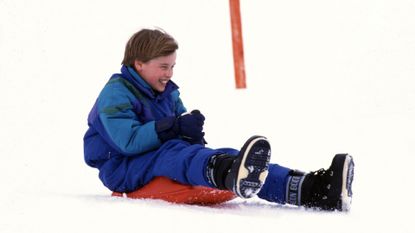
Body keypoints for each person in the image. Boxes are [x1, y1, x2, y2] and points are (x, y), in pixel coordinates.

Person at [83, 28, 355, 211]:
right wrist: (174, 128)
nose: (169, 73)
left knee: (232, 157)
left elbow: (180, 137)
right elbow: (127, 142)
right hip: (122, 168)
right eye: (163, 67)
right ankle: (223, 171)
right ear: (139, 64)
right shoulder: (116, 94)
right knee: (176, 154)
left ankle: (313, 189)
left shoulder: (167, 91)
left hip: (159, 155)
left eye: (173, 66)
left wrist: (191, 132)